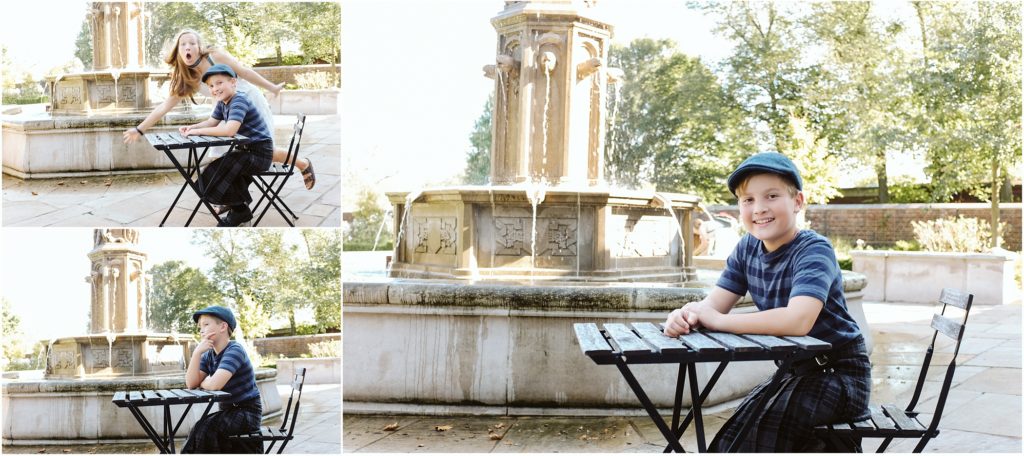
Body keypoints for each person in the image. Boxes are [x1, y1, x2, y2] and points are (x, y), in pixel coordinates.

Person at [663, 152, 871, 452]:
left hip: (840, 376)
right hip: (795, 373)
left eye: (771, 196)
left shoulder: (813, 251)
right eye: (748, 200)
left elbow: (798, 321)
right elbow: (712, 307)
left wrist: (719, 322)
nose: (759, 209)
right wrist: (685, 315)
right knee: (732, 440)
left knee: (760, 440)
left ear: (797, 202)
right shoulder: (748, 248)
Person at [122, 29, 315, 190]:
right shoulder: (184, 78)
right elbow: (163, 107)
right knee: (219, 154)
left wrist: (271, 87)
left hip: (247, 99)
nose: (188, 47)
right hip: (224, 109)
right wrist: (139, 129)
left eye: (192, 43)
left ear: (199, 47)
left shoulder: (215, 57)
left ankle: (302, 163)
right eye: (183, 44)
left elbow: (245, 72)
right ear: (178, 51)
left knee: (260, 149)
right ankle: (232, 198)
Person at [178, 64, 271, 226]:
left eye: (219, 83)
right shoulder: (224, 102)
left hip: (260, 154)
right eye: (211, 86)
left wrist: (199, 133)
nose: (215, 89)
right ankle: (239, 208)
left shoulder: (239, 100)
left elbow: (229, 130)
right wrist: (192, 128)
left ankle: (239, 211)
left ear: (233, 82)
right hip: (247, 152)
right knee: (218, 168)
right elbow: (212, 122)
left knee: (219, 169)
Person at [183, 305, 263, 454]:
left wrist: (205, 382)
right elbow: (191, 383)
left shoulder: (235, 350)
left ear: (223, 327)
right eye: (200, 326)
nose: (201, 330)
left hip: (247, 413)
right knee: (199, 427)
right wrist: (196, 353)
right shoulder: (208, 355)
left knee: (205, 428)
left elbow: (214, 385)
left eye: (206, 325)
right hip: (228, 412)